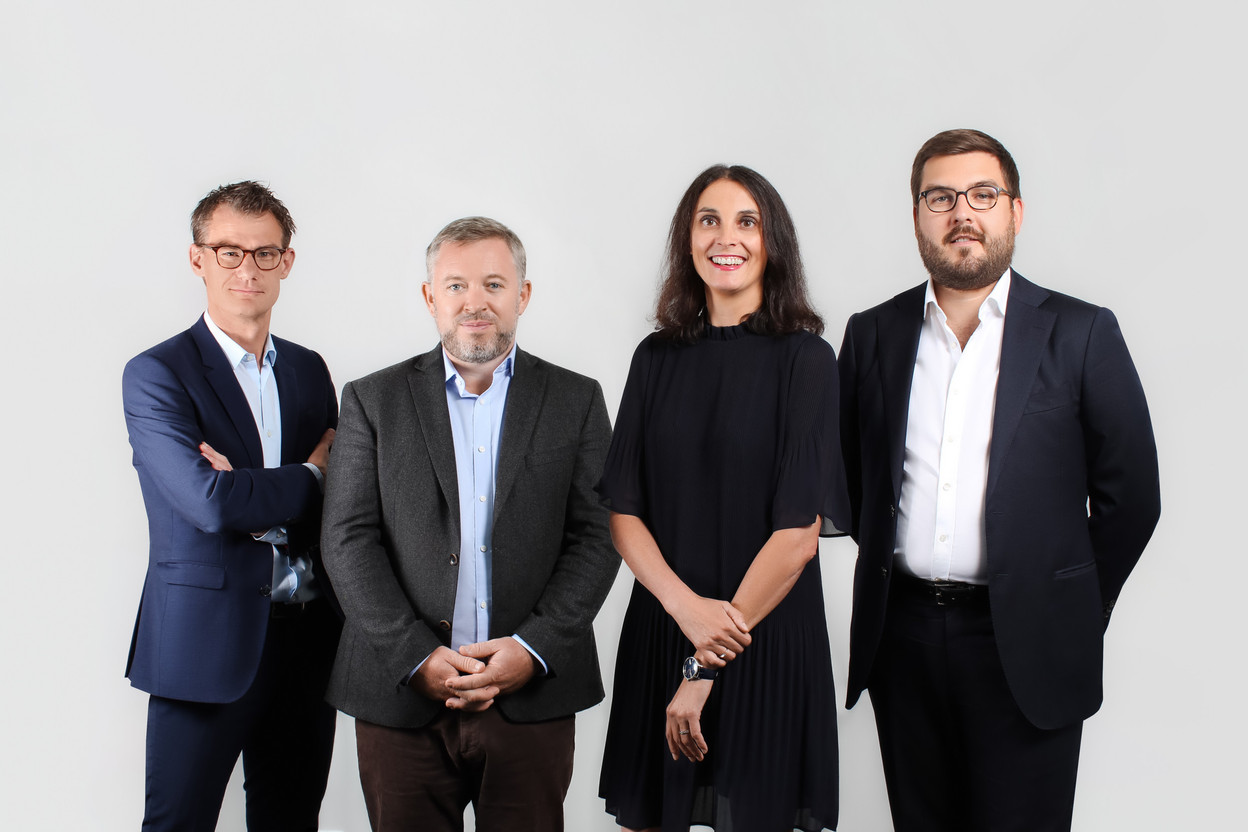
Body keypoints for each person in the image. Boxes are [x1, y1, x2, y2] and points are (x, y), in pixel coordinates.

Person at [838, 128, 1162, 832]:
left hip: (1027, 648)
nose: (963, 213)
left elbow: (1131, 495)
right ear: (917, 215)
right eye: (941, 197)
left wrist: (1067, 607)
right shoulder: (872, 335)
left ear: (1016, 212)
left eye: (983, 195)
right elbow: (857, 483)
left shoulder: (1080, 333)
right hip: (907, 642)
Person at [320, 216, 619, 832]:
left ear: (523, 295)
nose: (474, 303)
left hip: (529, 699)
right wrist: (414, 655)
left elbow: (597, 535)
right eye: (455, 286)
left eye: (493, 284)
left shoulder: (576, 399)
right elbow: (347, 540)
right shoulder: (371, 401)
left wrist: (533, 648)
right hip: (399, 698)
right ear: (430, 298)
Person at [597, 165, 850, 832]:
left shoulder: (807, 360)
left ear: (774, 242)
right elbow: (623, 510)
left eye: (747, 221)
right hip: (664, 628)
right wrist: (685, 614)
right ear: (688, 238)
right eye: (709, 219)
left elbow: (798, 534)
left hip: (763, 638)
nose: (725, 237)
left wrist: (705, 661)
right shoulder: (654, 358)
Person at [122, 181, 341, 831]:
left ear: (287, 263)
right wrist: (310, 474)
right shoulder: (158, 373)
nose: (247, 268)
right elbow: (210, 504)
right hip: (203, 646)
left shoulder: (308, 370)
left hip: (306, 641)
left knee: (289, 822)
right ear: (198, 259)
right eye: (228, 251)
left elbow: (340, 504)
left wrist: (254, 489)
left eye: (264, 253)